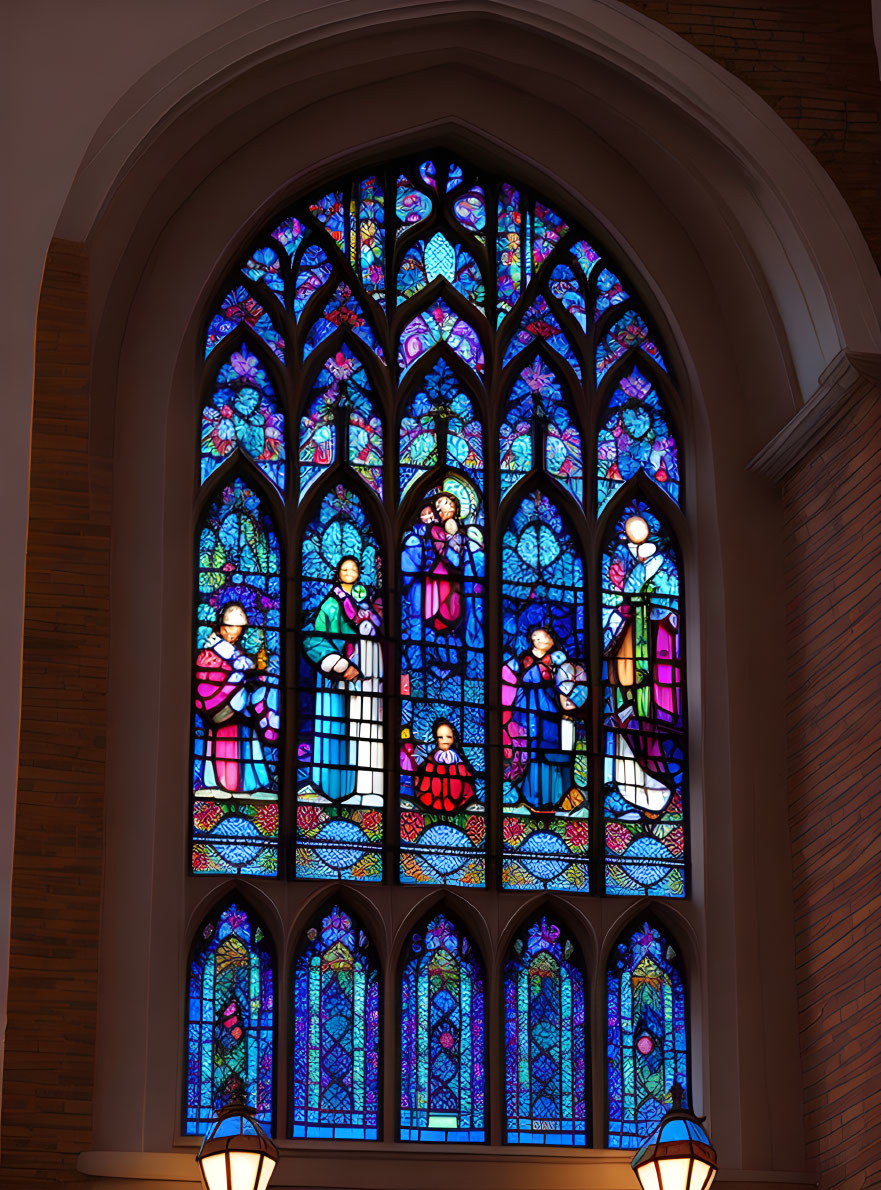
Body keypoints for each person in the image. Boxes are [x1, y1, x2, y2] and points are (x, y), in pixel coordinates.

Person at [603, 513, 680, 814]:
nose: (637, 543)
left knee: (649, 715)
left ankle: (659, 786)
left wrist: (652, 611)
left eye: (641, 535)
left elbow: (673, 611)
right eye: (632, 536)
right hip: (631, 648)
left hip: (657, 656)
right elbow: (615, 608)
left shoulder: (667, 570)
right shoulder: (629, 570)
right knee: (627, 708)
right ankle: (631, 788)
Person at [302, 556, 383, 805]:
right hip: (339, 677)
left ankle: (367, 787)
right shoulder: (330, 604)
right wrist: (339, 664)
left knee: (366, 729)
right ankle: (333, 789)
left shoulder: (366, 606)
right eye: (344, 568)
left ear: (359, 573)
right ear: (338, 573)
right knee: (337, 729)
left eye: (354, 568)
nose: (349, 572)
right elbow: (313, 638)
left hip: (367, 673)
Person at [194, 601, 279, 798]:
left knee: (248, 740)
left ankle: (252, 783)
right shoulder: (207, 655)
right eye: (229, 628)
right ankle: (220, 782)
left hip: (240, 710)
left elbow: (243, 673)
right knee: (225, 744)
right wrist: (234, 680)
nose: (234, 633)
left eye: (238, 629)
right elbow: (206, 685)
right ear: (220, 627)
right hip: (222, 710)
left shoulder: (236, 653)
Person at [503, 625, 588, 813]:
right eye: (535, 638)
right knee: (532, 751)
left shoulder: (559, 661)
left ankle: (558, 795)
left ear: (551, 639)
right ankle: (532, 797)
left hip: (552, 709)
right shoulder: (524, 660)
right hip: (529, 709)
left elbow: (570, 683)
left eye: (543, 638)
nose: (539, 641)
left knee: (555, 749)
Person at [413, 720, 476, 813]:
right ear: (436, 739)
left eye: (448, 737)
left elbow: (467, 786)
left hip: (456, 803)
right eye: (440, 737)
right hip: (432, 801)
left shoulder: (460, 762)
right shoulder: (431, 760)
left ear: (453, 738)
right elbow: (423, 784)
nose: (445, 741)